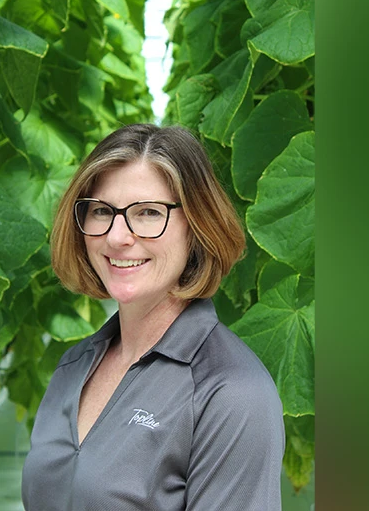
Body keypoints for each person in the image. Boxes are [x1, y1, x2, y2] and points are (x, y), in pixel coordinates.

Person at [21, 124, 284, 510]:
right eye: (101, 211)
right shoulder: (73, 366)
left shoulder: (233, 393)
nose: (117, 236)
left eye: (147, 213)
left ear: (197, 226)